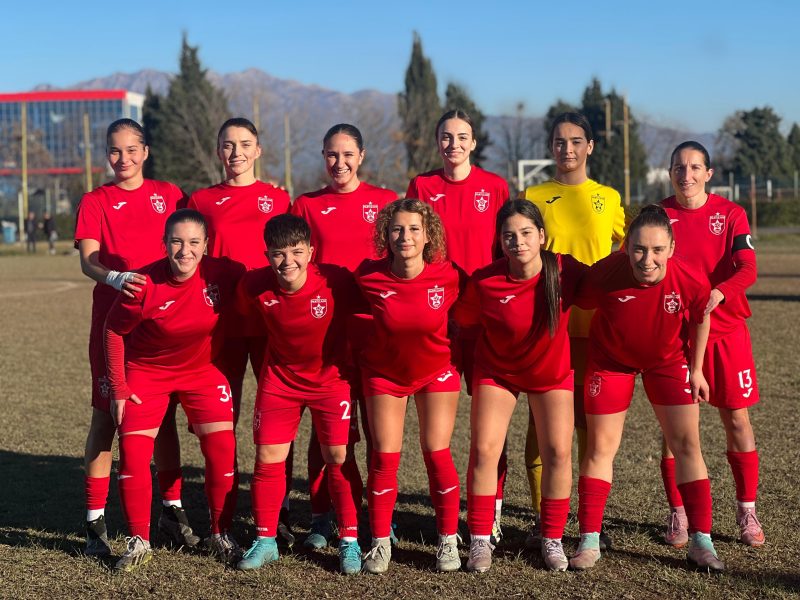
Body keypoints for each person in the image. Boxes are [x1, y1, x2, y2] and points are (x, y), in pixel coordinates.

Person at [570, 205, 724, 572]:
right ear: (626, 247)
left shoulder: (690, 279)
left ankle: (701, 541)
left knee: (687, 445)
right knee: (600, 447)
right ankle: (589, 539)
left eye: (657, 250)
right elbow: (574, 297)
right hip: (611, 363)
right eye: (639, 249)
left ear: (671, 248)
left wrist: (697, 370)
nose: (647, 259)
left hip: (668, 362)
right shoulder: (606, 273)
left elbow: (701, 317)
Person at [74, 119, 197, 558]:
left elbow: (196, 232)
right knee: (106, 417)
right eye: (114, 150)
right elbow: (88, 260)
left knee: (162, 417)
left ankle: (172, 509)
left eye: (131, 150)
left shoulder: (170, 194)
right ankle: (95, 523)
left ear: (145, 151)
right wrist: (114, 277)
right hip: (113, 322)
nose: (122, 158)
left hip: (160, 325)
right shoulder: (96, 200)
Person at [105, 209, 244, 571]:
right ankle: (139, 541)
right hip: (147, 373)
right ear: (164, 243)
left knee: (223, 448)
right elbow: (113, 330)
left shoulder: (224, 274)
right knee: (133, 453)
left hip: (202, 372)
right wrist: (118, 387)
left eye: (194, 242)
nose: (185, 250)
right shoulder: (143, 284)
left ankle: (220, 533)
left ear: (206, 245)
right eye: (177, 242)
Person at [454, 200, 586, 572]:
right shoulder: (485, 280)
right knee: (484, 450)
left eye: (526, 233)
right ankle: (480, 540)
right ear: (500, 241)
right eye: (509, 235)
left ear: (541, 236)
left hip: (551, 374)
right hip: (497, 371)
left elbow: (604, 284)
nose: (518, 242)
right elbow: (463, 321)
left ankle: (552, 538)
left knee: (558, 452)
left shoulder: (564, 270)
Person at [234, 214, 365, 575]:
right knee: (268, 456)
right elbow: (241, 317)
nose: (287, 261)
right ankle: (265, 541)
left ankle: (349, 540)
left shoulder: (337, 281)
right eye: (278, 253)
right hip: (281, 381)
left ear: (311, 251)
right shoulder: (254, 286)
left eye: (296, 251)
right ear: (267, 255)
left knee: (338, 456)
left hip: (332, 382)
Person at [521, 111, 626, 548]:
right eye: (560, 141)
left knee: (588, 428)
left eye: (576, 141)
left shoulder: (609, 197)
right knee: (541, 431)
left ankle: (586, 521)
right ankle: (546, 522)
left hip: (597, 330)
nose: (567, 148)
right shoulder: (533, 195)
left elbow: (631, 250)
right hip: (549, 328)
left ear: (590, 147)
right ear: (551, 147)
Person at [188, 117, 293, 543]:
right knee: (222, 420)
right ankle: (224, 515)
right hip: (221, 324)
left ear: (258, 150)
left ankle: (279, 511)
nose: (237, 152)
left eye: (245, 144)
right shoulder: (201, 200)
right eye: (228, 145)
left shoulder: (278, 198)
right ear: (218, 152)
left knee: (276, 419)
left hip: (270, 323)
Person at [291, 123, 396, 549]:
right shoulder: (307, 205)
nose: (340, 162)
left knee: (377, 431)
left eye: (348, 154)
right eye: (332, 155)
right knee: (326, 430)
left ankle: (377, 516)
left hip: (374, 330)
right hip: (326, 331)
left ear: (362, 156)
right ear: (323, 157)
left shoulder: (385, 202)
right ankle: (321, 515)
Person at [406, 109, 509, 540]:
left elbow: (506, 248)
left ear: (474, 142)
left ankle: (493, 511)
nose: (454, 144)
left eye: (462, 137)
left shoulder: (495, 187)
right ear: (437, 142)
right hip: (439, 317)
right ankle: (446, 515)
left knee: (491, 425)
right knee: (437, 430)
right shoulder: (422, 186)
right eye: (446, 137)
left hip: (485, 316)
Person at [659, 141, 764, 547]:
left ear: (708, 173)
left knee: (737, 420)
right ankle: (679, 513)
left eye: (694, 167)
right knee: (676, 431)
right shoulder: (660, 216)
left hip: (726, 334)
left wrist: (720, 292)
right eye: (679, 167)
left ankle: (746, 510)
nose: (686, 175)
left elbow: (748, 268)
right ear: (670, 172)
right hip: (676, 337)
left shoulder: (731, 214)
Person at [355, 198, 462, 574]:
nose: (405, 236)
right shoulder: (368, 276)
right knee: (385, 456)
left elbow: (472, 311)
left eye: (414, 229)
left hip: (436, 371)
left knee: (437, 451)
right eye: (397, 229)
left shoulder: (449, 276)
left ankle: (448, 539)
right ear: (385, 235)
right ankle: (380, 542)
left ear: (428, 235)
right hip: (385, 374)